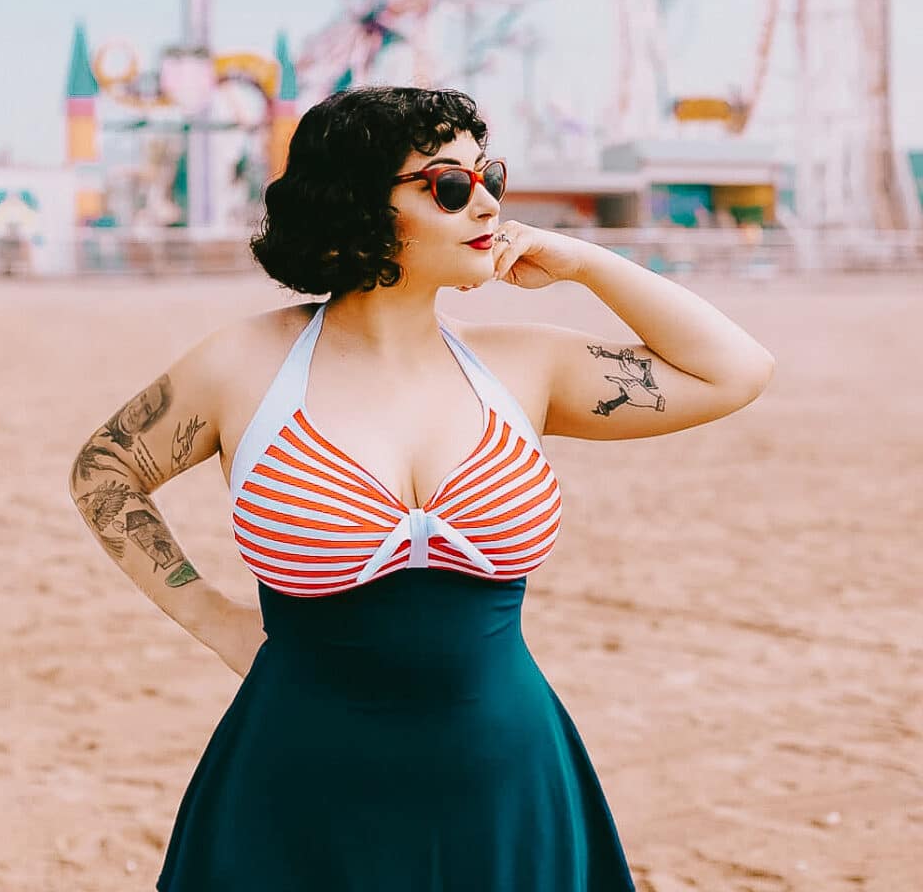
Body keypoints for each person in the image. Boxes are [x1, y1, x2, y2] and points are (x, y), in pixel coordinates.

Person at [69, 86, 775, 891]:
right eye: (448, 184)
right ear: (358, 204)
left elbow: (736, 371)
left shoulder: (525, 366)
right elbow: (105, 471)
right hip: (297, 782)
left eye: (490, 178)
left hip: (506, 774)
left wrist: (583, 264)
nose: (485, 204)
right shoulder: (244, 366)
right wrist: (213, 619)